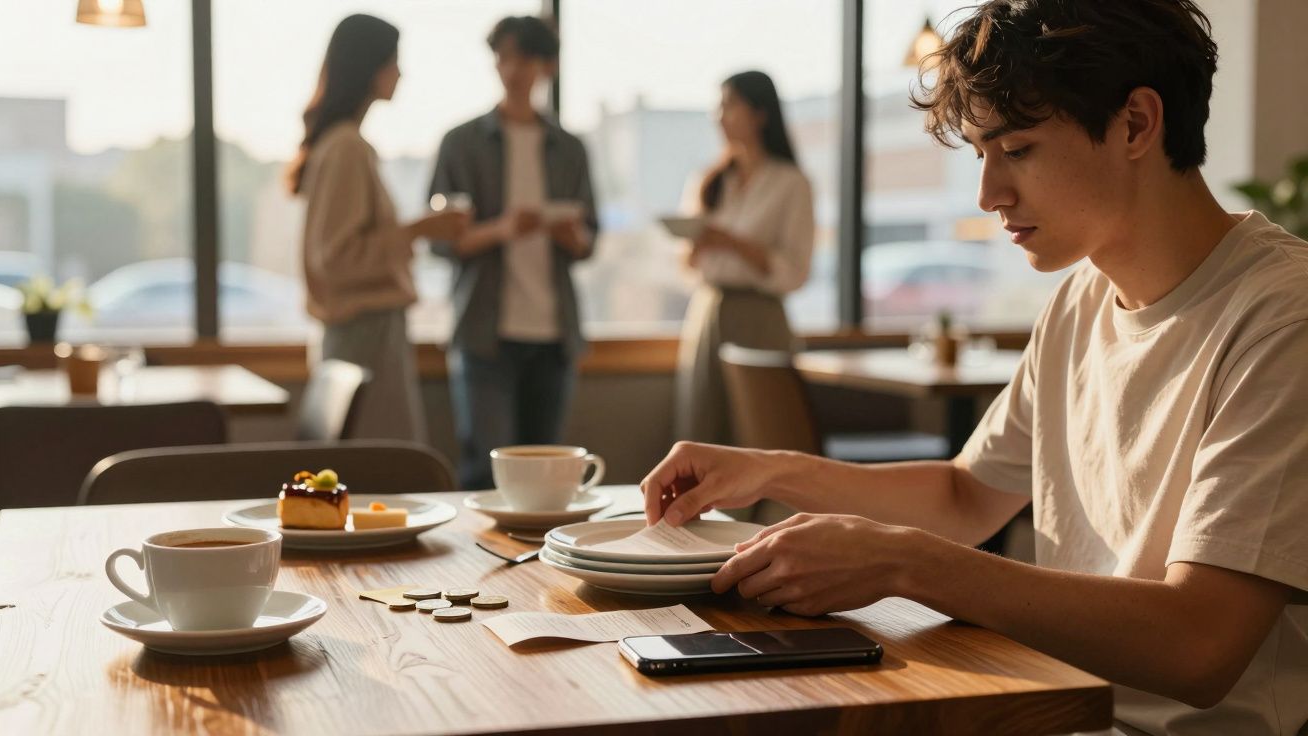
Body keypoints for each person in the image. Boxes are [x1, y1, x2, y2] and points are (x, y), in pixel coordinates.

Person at [640, 2, 1308, 733]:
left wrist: (907, 564)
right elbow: (966, 496)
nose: (988, 194)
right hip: (1050, 706)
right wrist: (769, 471)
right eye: (981, 155)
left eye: (1016, 149)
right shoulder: (1080, 299)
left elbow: (1199, 645)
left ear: (1137, 125)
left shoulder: (1282, 317)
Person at [427, 16, 598, 490]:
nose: (512, 68)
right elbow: (441, 241)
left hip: (554, 333)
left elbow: (589, 241)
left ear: (547, 66)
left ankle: (540, 566)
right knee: (484, 472)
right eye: (503, 57)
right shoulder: (461, 143)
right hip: (484, 333)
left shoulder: (570, 148)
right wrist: (503, 229)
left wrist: (566, 234)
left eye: (523, 57)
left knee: (549, 477)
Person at [288, 14, 468, 442]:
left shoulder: (340, 143)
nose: (400, 73)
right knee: (382, 475)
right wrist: (418, 230)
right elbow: (335, 259)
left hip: (362, 335)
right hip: (364, 337)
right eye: (393, 61)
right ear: (369, 67)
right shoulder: (347, 147)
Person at [673, 71, 815, 445]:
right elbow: (686, 265)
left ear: (759, 114)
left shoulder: (791, 183)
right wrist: (698, 245)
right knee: (703, 425)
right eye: (718, 107)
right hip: (709, 312)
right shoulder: (711, 181)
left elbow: (796, 271)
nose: (720, 116)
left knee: (760, 434)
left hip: (760, 317)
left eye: (729, 105)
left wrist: (733, 244)